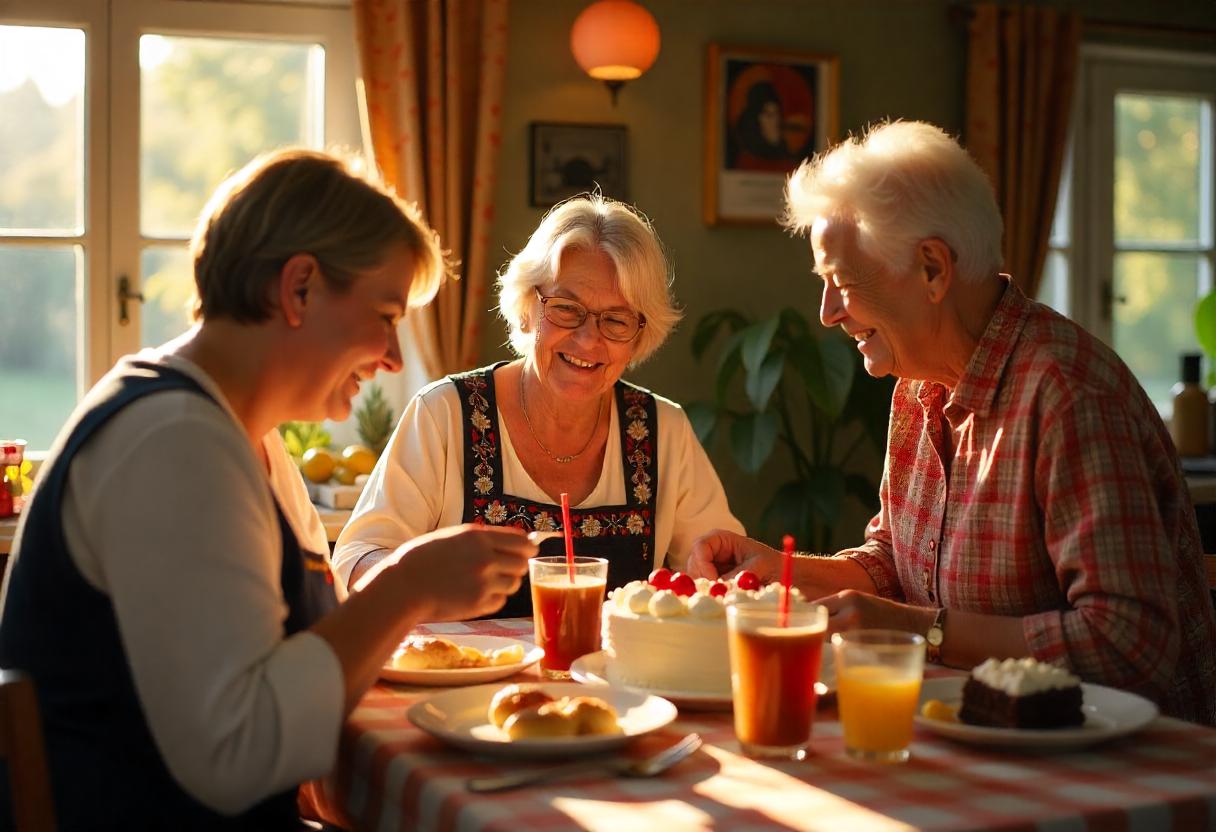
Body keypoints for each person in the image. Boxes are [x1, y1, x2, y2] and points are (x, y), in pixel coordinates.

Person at [0, 149, 537, 830]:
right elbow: (238, 757)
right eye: (384, 315)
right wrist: (407, 589)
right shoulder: (173, 443)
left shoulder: (244, 439)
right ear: (300, 288)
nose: (395, 357)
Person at [687, 120, 1216, 725]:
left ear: (933, 269)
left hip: (1124, 767)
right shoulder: (919, 385)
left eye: (840, 283)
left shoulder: (1068, 395)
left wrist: (924, 632)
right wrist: (779, 570)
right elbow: (896, 561)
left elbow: (1129, 646)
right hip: (982, 734)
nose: (827, 314)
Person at [334, 194, 743, 615]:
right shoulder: (444, 414)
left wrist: (709, 580)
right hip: (464, 678)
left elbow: (723, 571)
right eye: (567, 310)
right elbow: (356, 559)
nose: (588, 340)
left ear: (640, 335)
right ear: (529, 307)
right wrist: (419, 579)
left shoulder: (663, 430)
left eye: (616, 320)